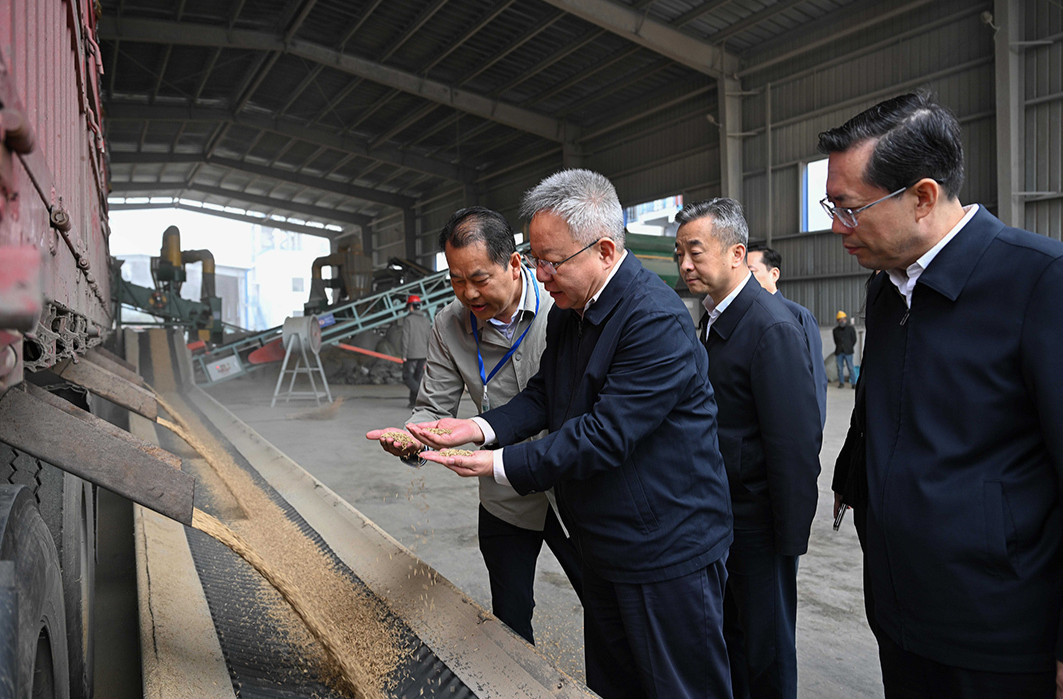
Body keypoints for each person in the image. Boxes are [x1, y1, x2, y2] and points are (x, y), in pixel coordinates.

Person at [408, 169, 733, 699]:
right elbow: (542, 396)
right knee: (614, 681)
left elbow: (603, 434)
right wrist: (476, 427)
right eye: (536, 259)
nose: (540, 273)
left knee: (678, 685)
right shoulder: (572, 309)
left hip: (664, 548)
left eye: (551, 261)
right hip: (605, 539)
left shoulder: (652, 320)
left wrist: (494, 465)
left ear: (605, 250)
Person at [818, 92, 1063, 699]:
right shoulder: (886, 288)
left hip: (1000, 633)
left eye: (848, 208)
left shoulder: (1039, 282)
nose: (835, 226)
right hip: (900, 613)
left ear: (922, 197)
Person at [366, 206, 583, 645]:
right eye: (456, 279)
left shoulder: (559, 309)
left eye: (480, 279)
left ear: (514, 263)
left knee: (606, 605)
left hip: (573, 487)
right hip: (503, 493)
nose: (468, 293)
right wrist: (411, 439)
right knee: (509, 617)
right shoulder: (448, 325)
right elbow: (433, 406)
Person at [675, 198, 822, 699]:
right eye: (679, 254)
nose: (685, 265)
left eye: (695, 252)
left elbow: (796, 442)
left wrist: (789, 536)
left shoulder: (770, 326)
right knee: (730, 636)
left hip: (759, 522)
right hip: (718, 513)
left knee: (767, 649)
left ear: (737, 253)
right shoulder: (711, 321)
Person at [746, 244, 828, 427]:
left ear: (774, 274)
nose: (746, 280)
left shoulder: (798, 315)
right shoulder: (743, 316)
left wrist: (815, 429)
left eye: (751, 272)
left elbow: (816, 378)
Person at [400, 294, 431, 408]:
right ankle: (413, 402)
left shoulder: (408, 320)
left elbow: (405, 338)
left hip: (411, 354)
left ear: (411, 307)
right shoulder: (426, 321)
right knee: (417, 377)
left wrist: (404, 354)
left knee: (407, 377)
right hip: (423, 354)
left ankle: (421, 395)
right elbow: (429, 338)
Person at [832, 311, 857, 388]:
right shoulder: (835, 330)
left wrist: (848, 346)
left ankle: (854, 383)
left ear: (846, 320)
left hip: (848, 352)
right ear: (838, 320)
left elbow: (854, 340)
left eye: (843, 319)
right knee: (840, 368)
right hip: (839, 352)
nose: (842, 321)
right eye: (840, 319)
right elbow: (836, 341)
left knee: (850, 367)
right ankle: (841, 383)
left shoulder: (851, 329)